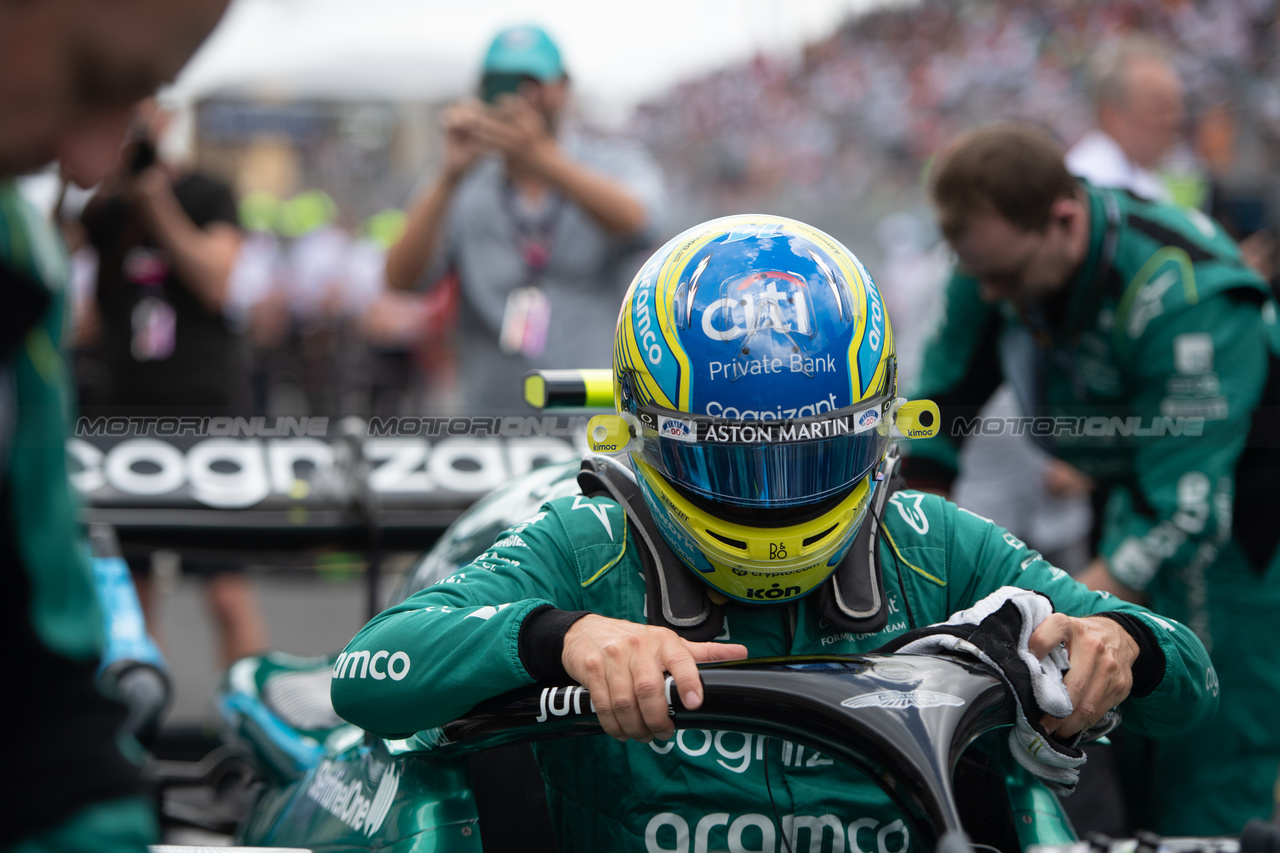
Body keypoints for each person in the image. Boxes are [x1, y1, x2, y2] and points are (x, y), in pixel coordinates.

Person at [333, 214, 1217, 851]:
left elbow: (1191, 683)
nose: (773, 502)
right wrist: (566, 637)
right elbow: (369, 671)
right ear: (642, 428)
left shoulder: (936, 544)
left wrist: (1124, 640)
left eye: (808, 454)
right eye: (734, 459)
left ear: (874, 423)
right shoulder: (585, 545)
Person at [905, 123, 1280, 837]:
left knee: (1201, 773)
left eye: (1005, 279)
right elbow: (938, 411)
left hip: (1238, 533)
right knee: (1114, 743)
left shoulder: (1186, 289)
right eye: (976, 276)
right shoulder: (995, 257)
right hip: (1132, 493)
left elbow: (1183, 513)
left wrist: (1073, 625)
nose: (988, 295)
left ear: (1064, 220)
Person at [0, 1, 229, 850]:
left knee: (222, 587)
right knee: (143, 588)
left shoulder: (21, 255)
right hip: (128, 404)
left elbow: (41, 659)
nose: (97, 155)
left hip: (206, 414)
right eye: (94, 78)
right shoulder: (52, 229)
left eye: (140, 99)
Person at [384, 24, 665, 413]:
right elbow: (401, 279)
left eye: (534, 81)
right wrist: (448, 174)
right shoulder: (463, 182)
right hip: (496, 421)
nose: (521, 95)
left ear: (563, 88)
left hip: (595, 413)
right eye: (505, 81)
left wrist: (545, 161)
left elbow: (642, 222)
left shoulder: (613, 161)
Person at [78, 97, 268, 669]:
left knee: (226, 589)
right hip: (122, 414)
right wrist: (92, 183)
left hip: (204, 413)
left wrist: (154, 198)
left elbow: (216, 280)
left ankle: (249, 715)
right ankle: (139, 724)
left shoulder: (209, 192)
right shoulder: (106, 207)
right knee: (130, 595)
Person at [1065, 36, 1186, 203]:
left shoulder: (1145, 179)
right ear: (1112, 116)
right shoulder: (1090, 188)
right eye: (1160, 109)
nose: (1173, 120)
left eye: (1175, 107)